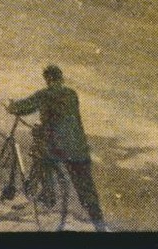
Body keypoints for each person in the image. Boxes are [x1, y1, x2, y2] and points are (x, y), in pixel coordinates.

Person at [6, 65, 107, 230]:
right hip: (78, 148)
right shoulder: (72, 94)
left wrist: (11, 107)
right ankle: (100, 225)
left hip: (56, 147)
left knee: (40, 151)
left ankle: (48, 194)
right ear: (61, 78)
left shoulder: (44, 94)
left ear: (47, 79)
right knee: (86, 189)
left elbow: (24, 106)